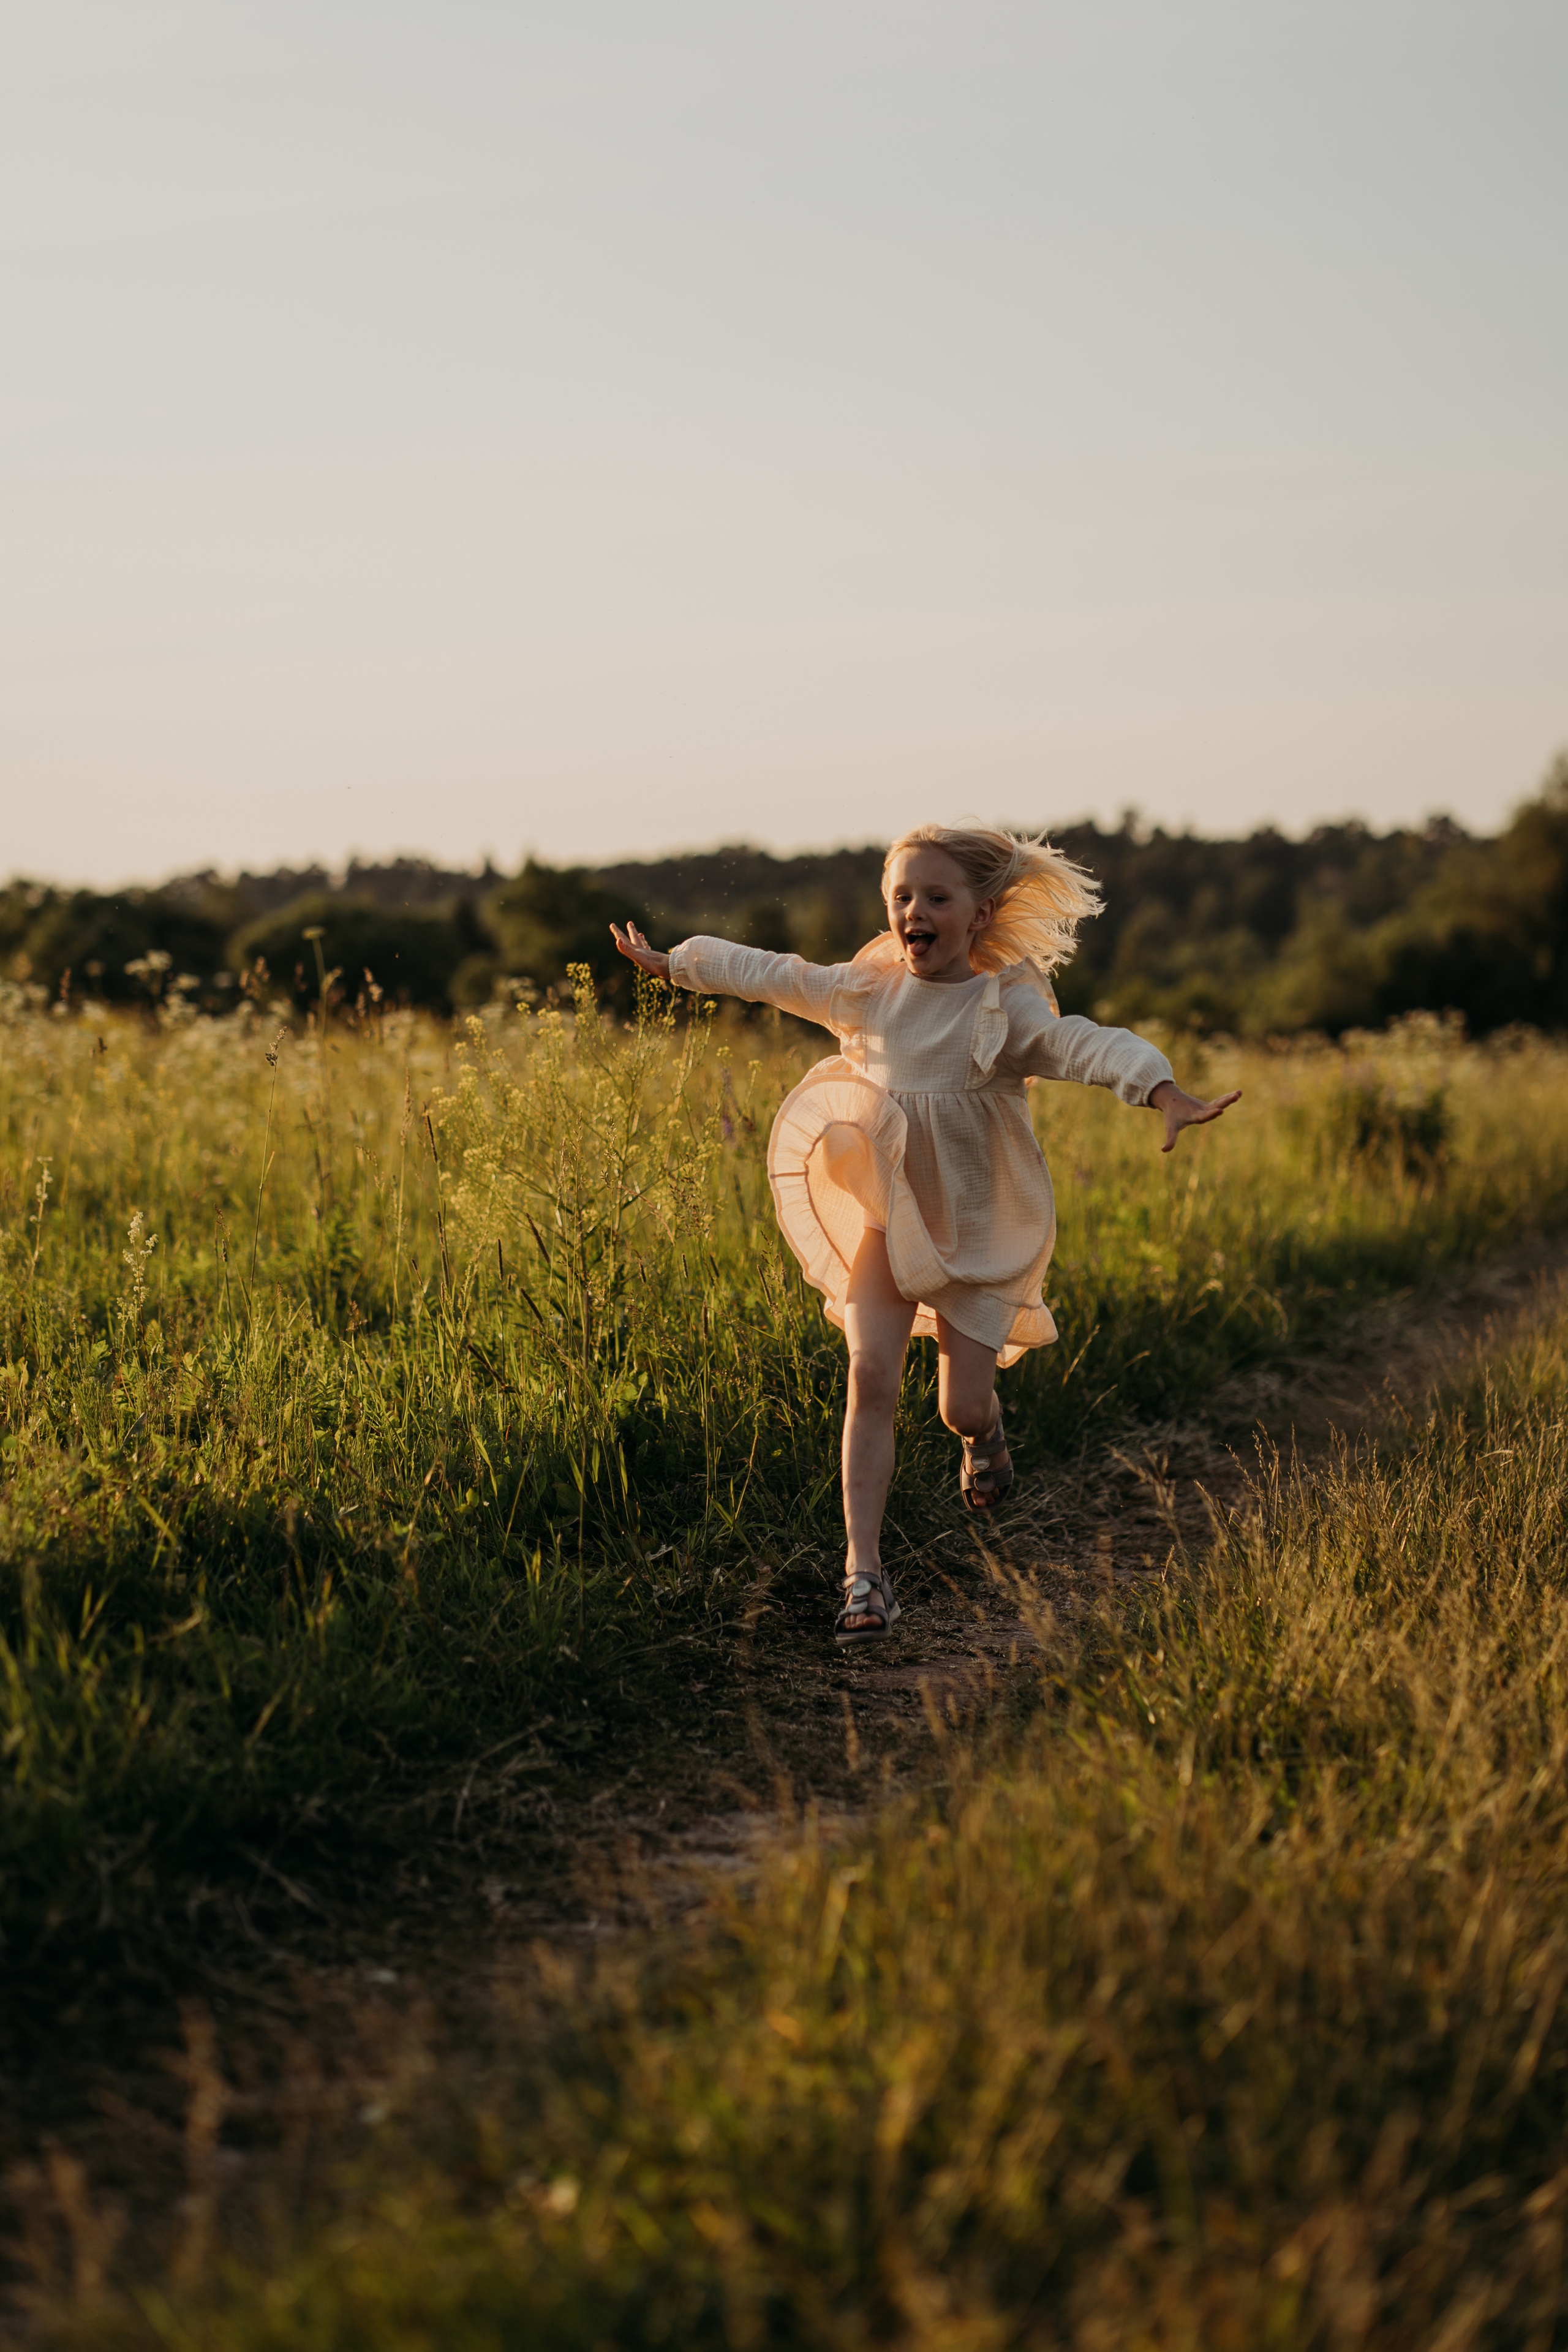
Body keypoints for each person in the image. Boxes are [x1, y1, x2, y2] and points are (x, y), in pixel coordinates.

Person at [611, 823, 1239, 1645]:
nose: (914, 911)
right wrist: (678, 963)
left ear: (979, 913)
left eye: (935, 897)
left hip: (976, 1234)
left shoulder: (1000, 1008)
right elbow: (774, 976)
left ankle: (988, 1437)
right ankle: (863, 1575)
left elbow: (1079, 1044)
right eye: (902, 896)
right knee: (870, 1375)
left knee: (959, 1405)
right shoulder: (871, 994)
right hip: (888, 1218)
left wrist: (1159, 1088)